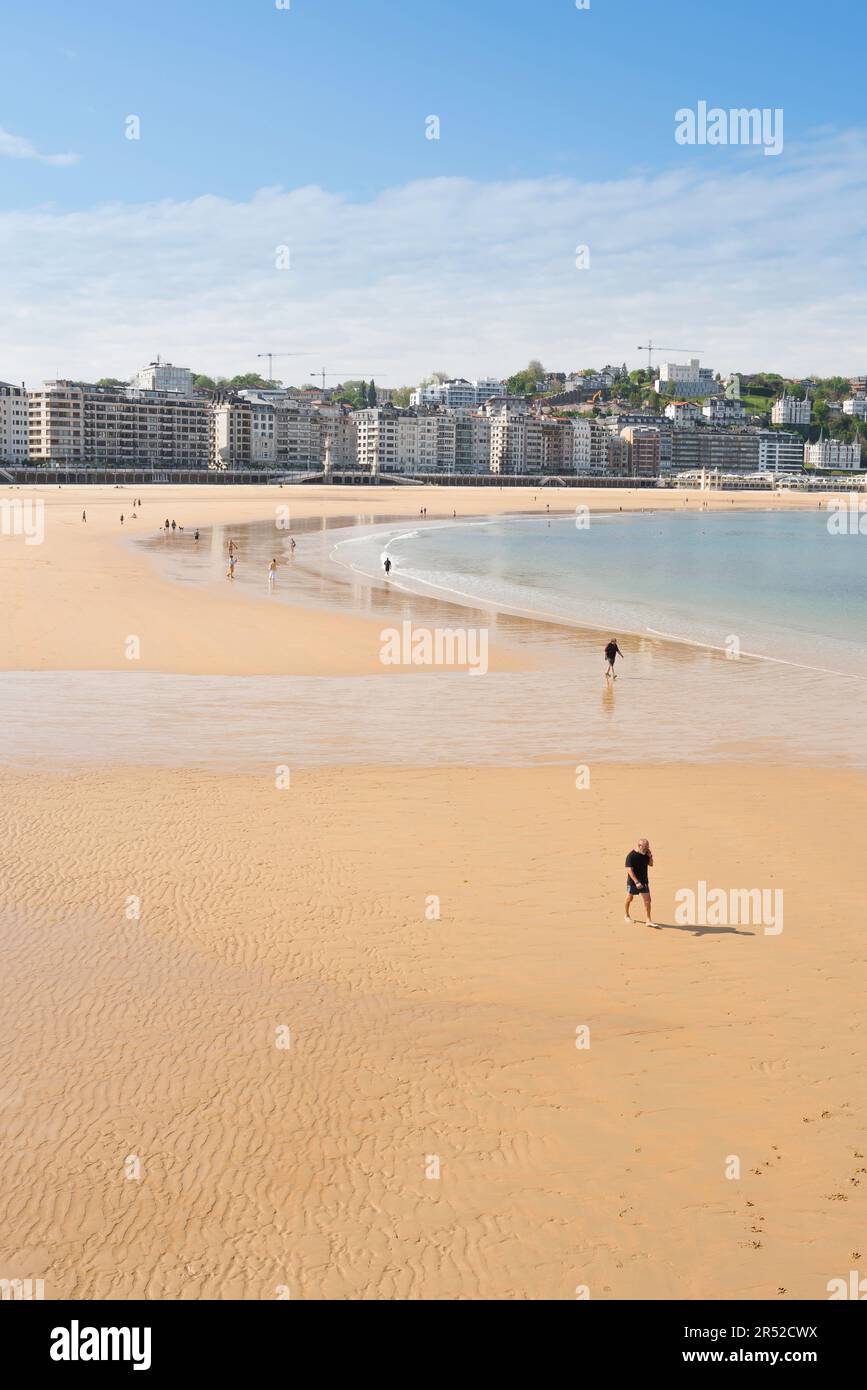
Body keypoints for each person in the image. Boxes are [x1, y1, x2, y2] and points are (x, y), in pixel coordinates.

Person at [625, 839, 657, 928]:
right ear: (639, 846)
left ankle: (648, 920)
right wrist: (636, 881)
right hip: (633, 882)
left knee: (648, 900)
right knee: (629, 899)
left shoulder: (646, 854)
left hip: (644, 881)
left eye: (648, 847)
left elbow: (651, 864)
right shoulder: (631, 856)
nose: (647, 848)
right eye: (645, 847)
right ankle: (626, 915)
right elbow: (629, 870)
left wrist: (650, 856)